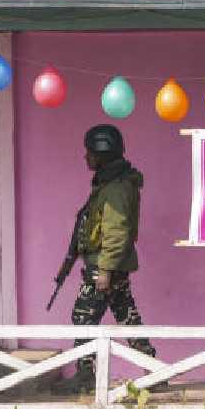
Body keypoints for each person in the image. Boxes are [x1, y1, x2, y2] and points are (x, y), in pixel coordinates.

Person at [53, 124, 156, 394]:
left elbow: (117, 232)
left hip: (105, 266)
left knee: (84, 317)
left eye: (90, 153)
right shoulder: (111, 184)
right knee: (127, 317)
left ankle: (86, 376)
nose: (85, 157)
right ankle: (155, 371)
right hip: (107, 264)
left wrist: (105, 270)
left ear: (102, 152)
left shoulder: (117, 189)